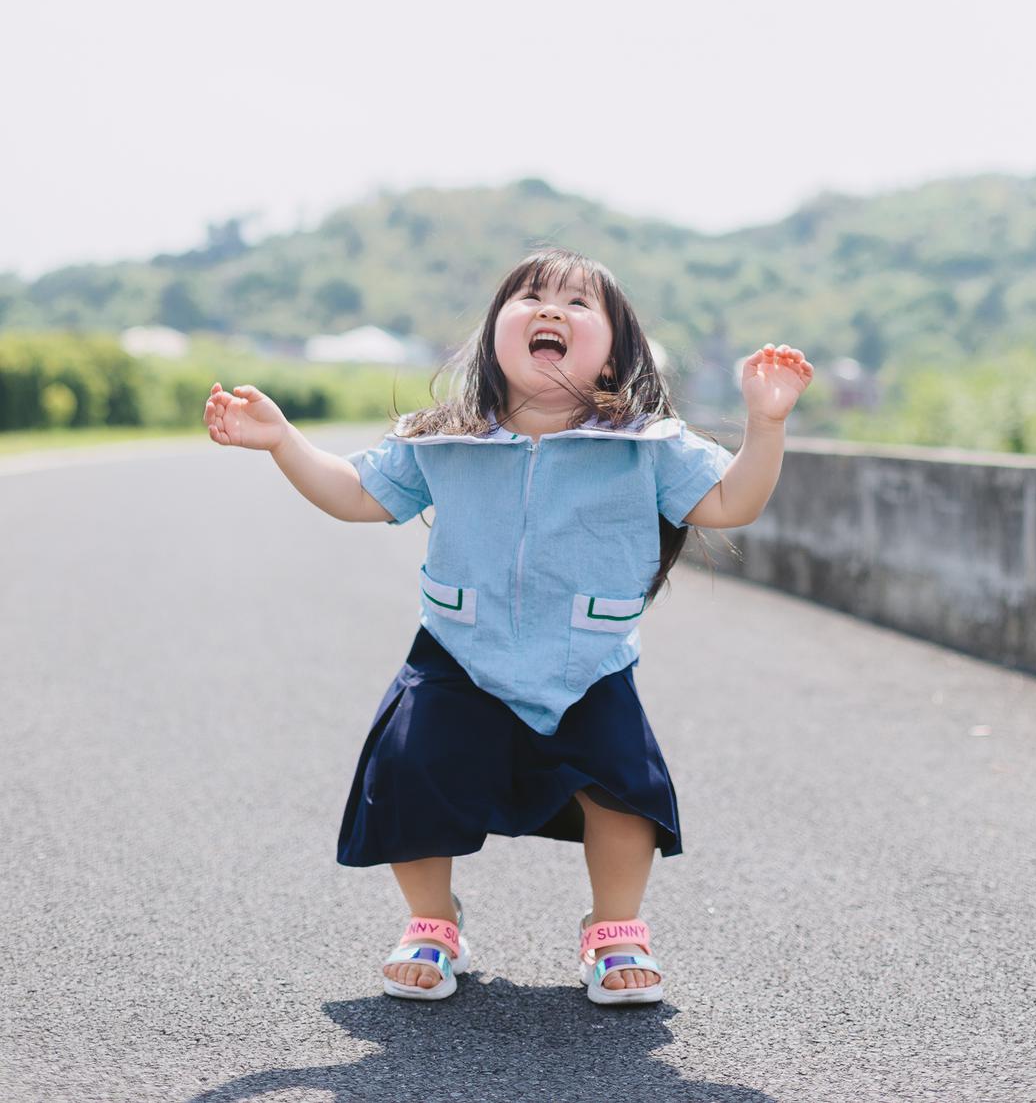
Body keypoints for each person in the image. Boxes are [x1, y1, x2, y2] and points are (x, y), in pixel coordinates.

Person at [203, 247, 813, 1006]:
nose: (551, 309)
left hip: (588, 655)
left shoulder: (647, 443)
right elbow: (357, 492)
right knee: (411, 772)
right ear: (494, 336)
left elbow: (730, 502)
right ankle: (432, 923)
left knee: (625, 794)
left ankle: (615, 930)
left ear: (613, 356)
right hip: (459, 648)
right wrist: (282, 440)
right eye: (530, 297)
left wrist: (765, 423)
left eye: (578, 304)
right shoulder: (444, 436)